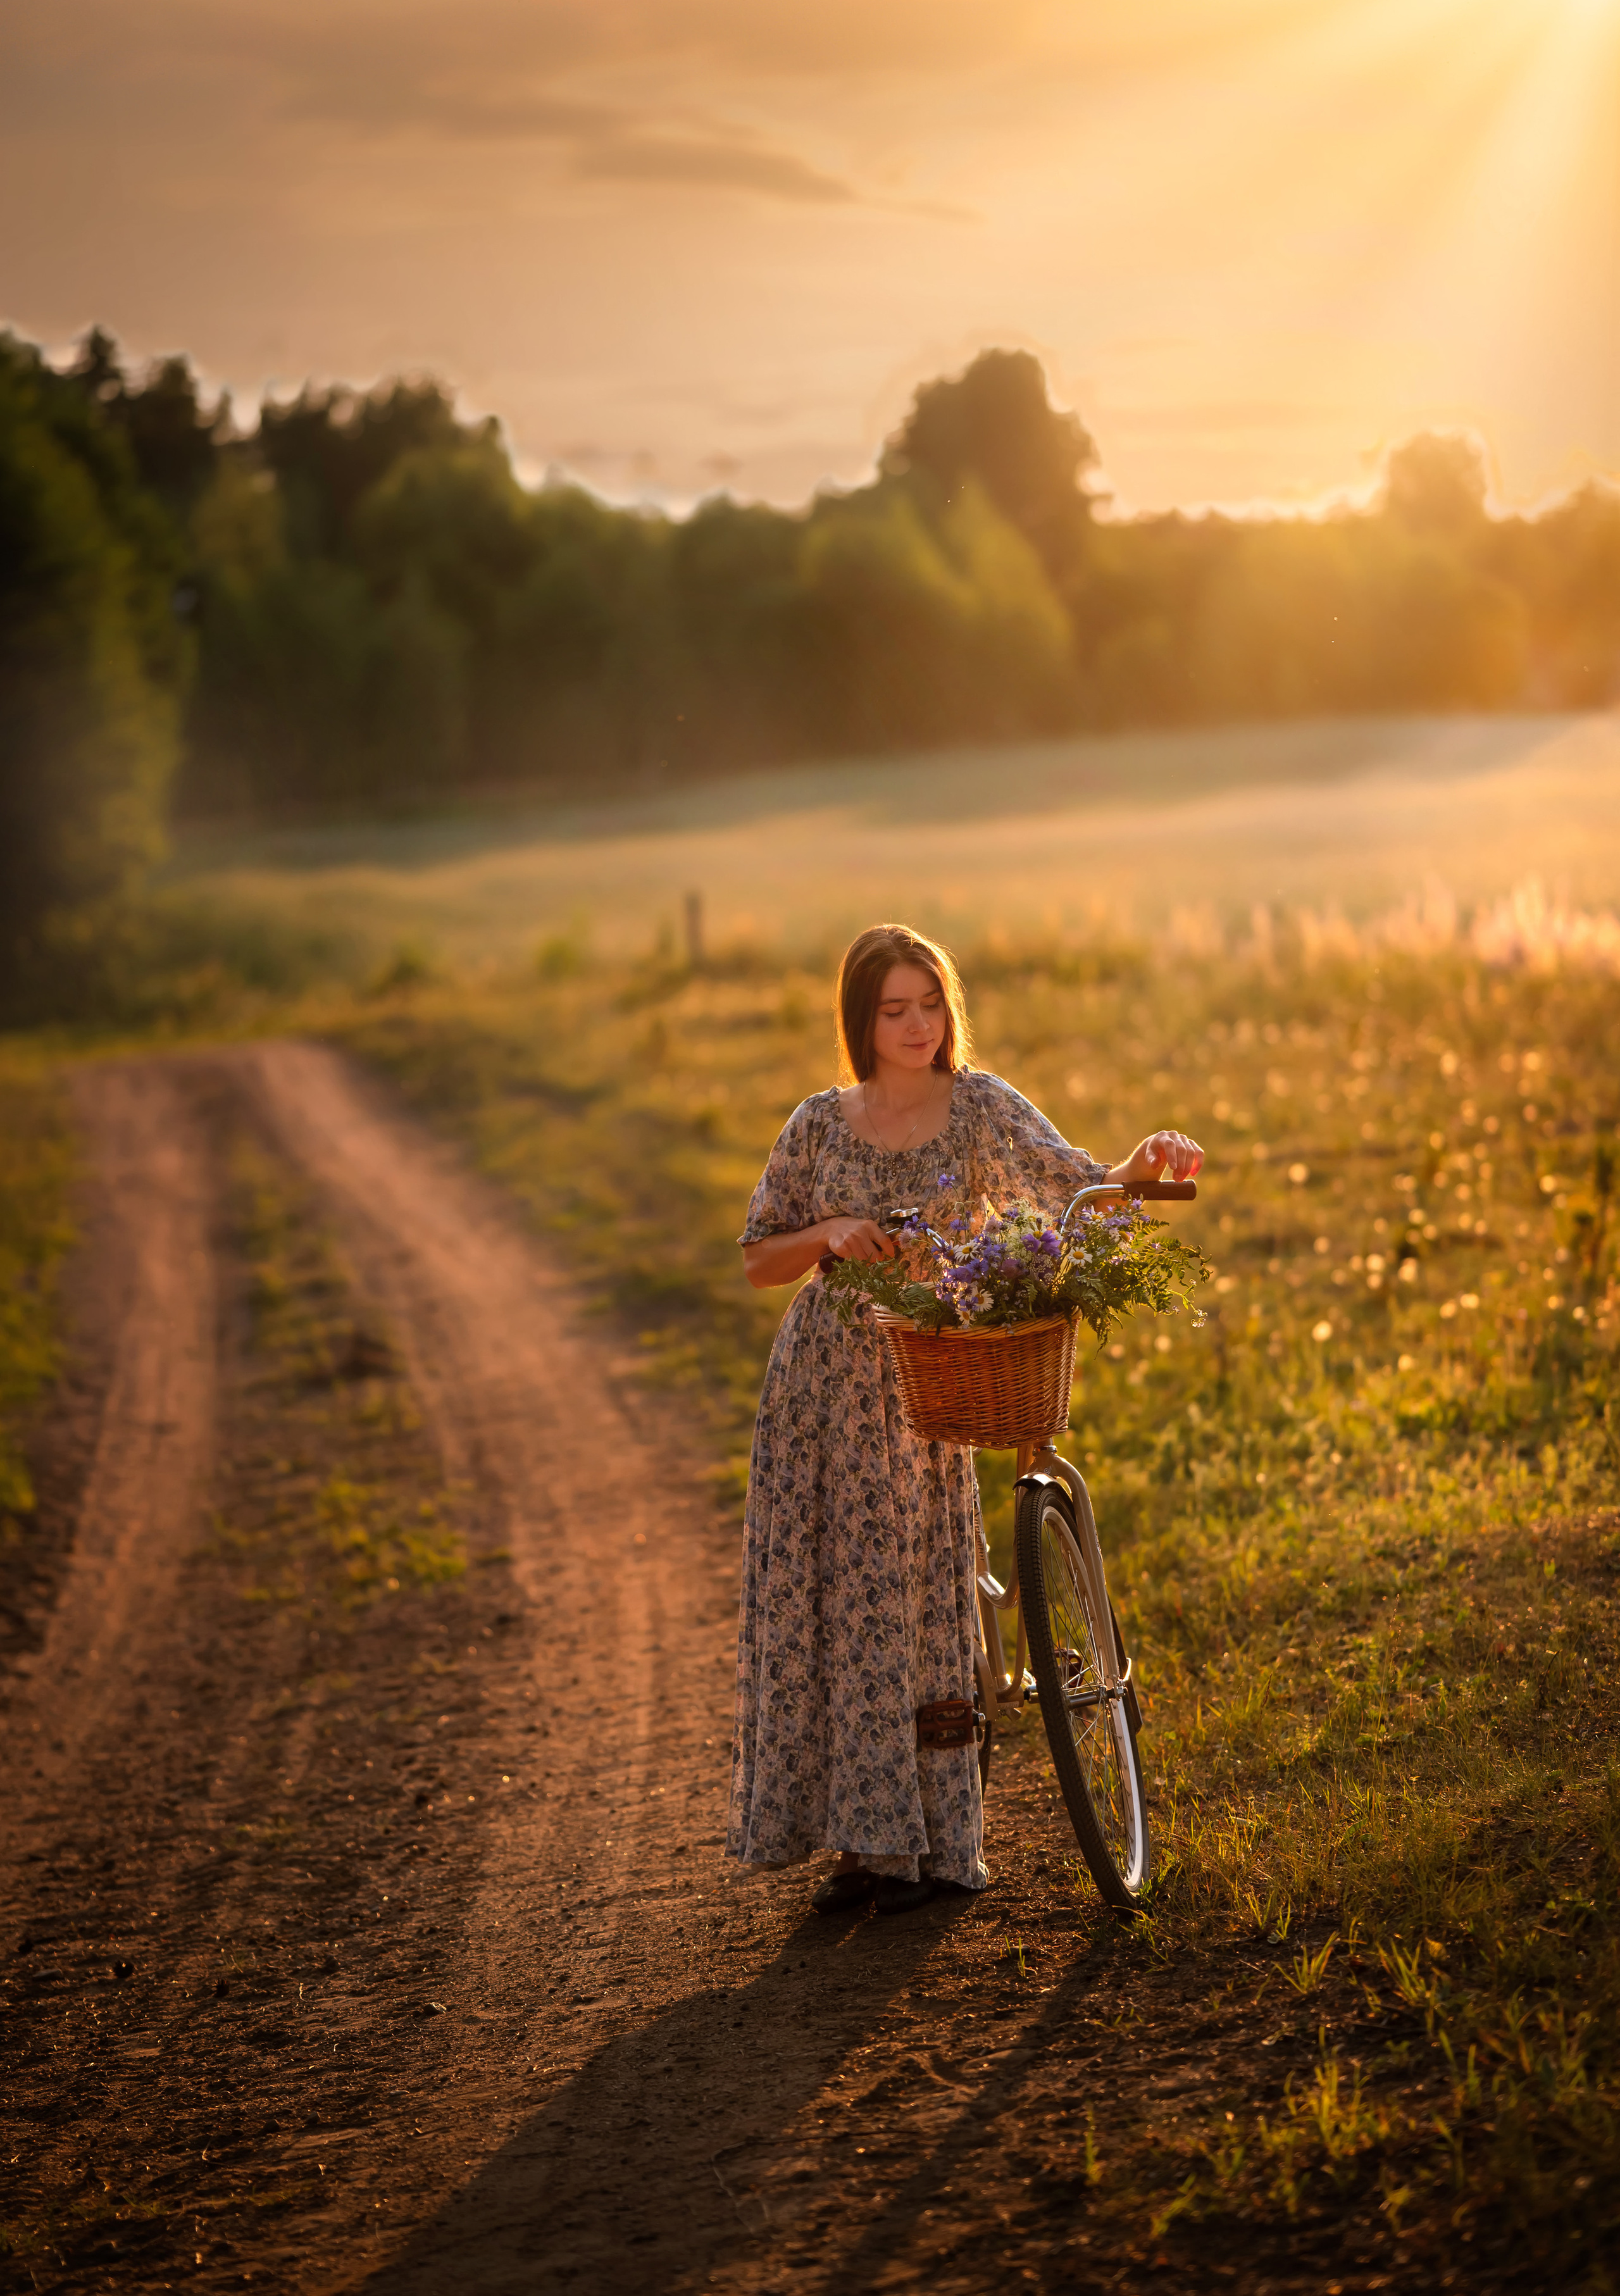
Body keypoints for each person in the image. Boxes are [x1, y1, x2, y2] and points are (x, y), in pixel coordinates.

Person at [726, 923, 1203, 1915]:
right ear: (862, 1021)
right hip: (821, 1389)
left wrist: (1144, 1163)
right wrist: (826, 1232)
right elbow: (760, 1258)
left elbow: (1082, 1190)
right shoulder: (819, 1123)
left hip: (923, 1383)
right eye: (894, 1009)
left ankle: (928, 1845)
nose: (917, 1025)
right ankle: (860, 1844)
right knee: (831, 1607)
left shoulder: (979, 1107)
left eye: (931, 1004)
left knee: (911, 1600)